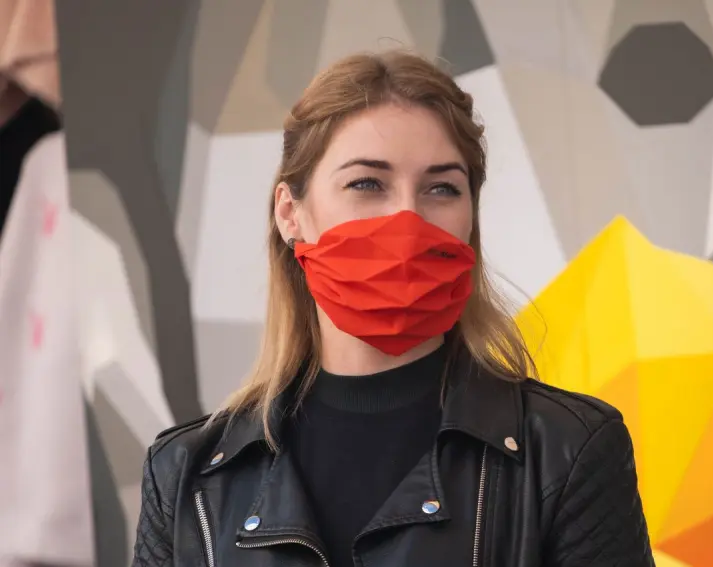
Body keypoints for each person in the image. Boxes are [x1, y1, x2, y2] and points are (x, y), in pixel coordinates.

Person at [131, 49, 654, 567]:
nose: (408, 217)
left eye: (442, 188)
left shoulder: (567, 452)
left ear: (471, 217)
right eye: (367, 184)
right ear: (291, 214)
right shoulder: (184, 477)